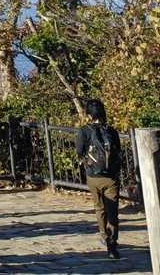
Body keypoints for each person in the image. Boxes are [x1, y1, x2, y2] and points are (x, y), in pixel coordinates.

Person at [75, 98, 122, 260]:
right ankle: (112, 245)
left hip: (93, 176)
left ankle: (104, 235)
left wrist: (87, 163)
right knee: (113, 211)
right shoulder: (112, 131)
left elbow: (79, 152)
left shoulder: (84, 131)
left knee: (100, 208)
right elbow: (118, 152)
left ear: (89, 115)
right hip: (111, 178)